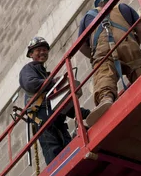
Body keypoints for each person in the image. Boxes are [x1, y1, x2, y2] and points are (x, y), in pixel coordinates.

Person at [19, 37, 90, 165]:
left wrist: (87, 114)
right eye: (38, 50)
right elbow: (31, 84)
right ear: (31, 54)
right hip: (43, 119)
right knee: (54, 152)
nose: (42, 52)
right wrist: (54, 82)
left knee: (68, 148)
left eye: (45, 50)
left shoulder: (44, 74)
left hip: (56, 119)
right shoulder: (28, 69)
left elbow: (63, 104)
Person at [78, 0, 141, 126]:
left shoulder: (87, 17)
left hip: (103, 48)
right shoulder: (123, 7)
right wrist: (134, 43)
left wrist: (94, 57)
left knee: (104, 71)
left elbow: (81, 46)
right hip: (126, 40)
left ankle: (106, 98)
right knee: (138, 67)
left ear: (97, 6)